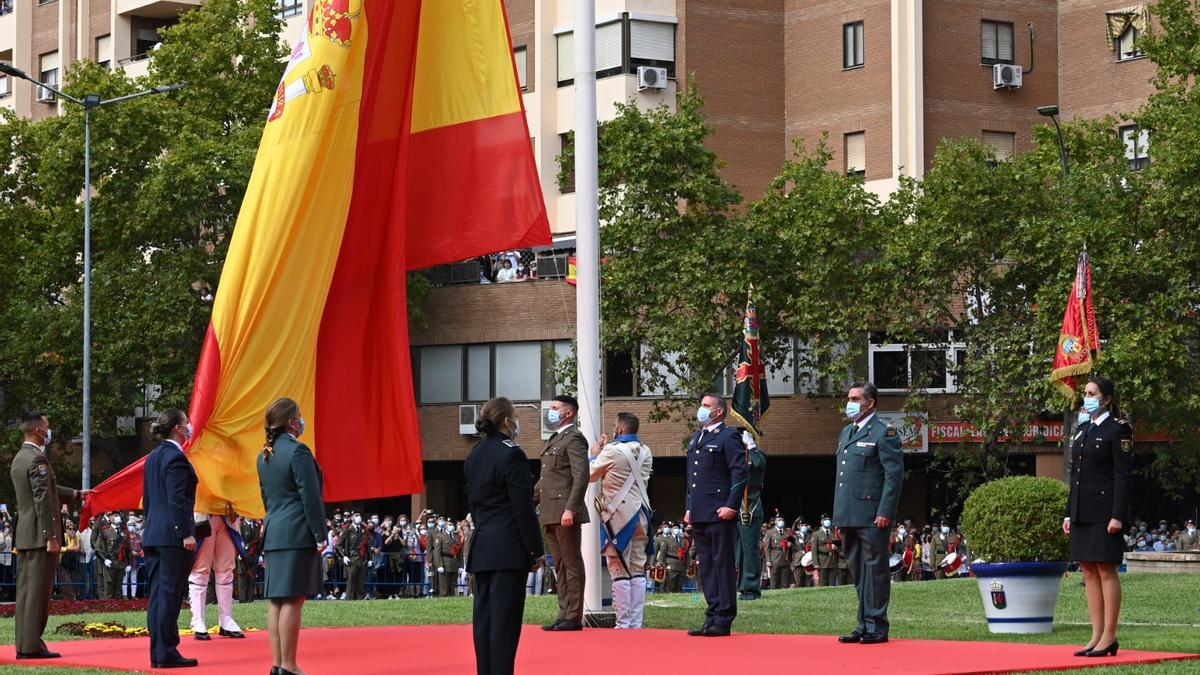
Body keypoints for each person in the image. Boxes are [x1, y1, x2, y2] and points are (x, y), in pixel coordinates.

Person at [464, 397, 544, 675]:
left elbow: (474, 504)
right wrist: (535, 551)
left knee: (484, 621)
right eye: (516, 417)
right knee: (505, 624)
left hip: (483, 546)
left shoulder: (474, 454)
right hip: (509, 549)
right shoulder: (512, 454)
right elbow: (522, 508)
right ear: (508, 421)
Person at [10, 410, 88, 660]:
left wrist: (77, 493)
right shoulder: (38, 460)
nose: (49, 430)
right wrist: (51, 537)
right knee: (39, 592)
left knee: (26, 592)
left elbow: (49, 489)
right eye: (47, 426)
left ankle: (26, 644)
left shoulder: (21, 457)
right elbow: (42, 500)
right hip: (40, 535)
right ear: (38, 431)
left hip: (26, 535)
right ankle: (32, 647)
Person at [1064, 376, 1132, 658]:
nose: (1086, 397)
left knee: (1106, 569)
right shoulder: (1083, 430)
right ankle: (1096, 634)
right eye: (1085, 392)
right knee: (1089, 571)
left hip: (1105, 513)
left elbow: (1123, 476)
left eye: (1092, 393)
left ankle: (1110, 635)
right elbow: (1076, 477)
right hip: (1082, 510)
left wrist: (1118, 515)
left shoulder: (1118, 430)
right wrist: (1069, 513)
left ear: (1106, 399)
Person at [258, 397, 326, 675]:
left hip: (275, 529)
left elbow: (266, 497)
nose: (302, 420)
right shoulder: (298, 452)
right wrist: (320, 533)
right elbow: (310, 498)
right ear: (291, 421)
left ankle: (278, 663)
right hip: (297, 531)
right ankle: (289, 664)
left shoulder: (265, 454)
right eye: (298, 415)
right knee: (293, 599)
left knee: (277, 599)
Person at [833, 382, 903, 645]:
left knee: (875, 570)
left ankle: (877, 626)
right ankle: (863, 624)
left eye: (854, 398)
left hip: (872, 514)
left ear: (870, 403)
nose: (849, 402)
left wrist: (886, 511)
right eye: (848, 397)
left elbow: (893, 477)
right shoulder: (846, 432)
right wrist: (838, 515)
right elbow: (843, 479)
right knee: (859, 572)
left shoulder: (884, 433)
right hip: (849, 514)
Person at [683, 393, 748, 637]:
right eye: (701, 404)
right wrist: (688, 508)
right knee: (707, 566)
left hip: (719, 511)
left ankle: (724, 617)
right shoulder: (697, 437)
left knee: (722, 565)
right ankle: (711, 615)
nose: (701, 409)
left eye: (706, 405)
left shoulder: (728, 436)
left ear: (719, 411)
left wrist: (732, 505)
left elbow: (739, 473)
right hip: (700, 512)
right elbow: (692, 480)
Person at [142, 409, 200, 669]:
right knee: (170, 594)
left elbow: (149, 499)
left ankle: (159, 650)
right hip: (172, 536)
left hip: (155, 532)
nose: (189, 426)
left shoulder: (154, 456)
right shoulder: (175, 457)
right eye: (186, 422)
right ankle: (166, 651)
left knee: (158, 595)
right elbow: (177, 498)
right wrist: (185, 532)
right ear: (177, 427)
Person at [588, 412, 654, 628]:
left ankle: (623, 623)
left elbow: (590, 474)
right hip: (641, 513)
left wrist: (594, 454)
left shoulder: (612, 451)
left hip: (618, 516)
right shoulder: (646, 451)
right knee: (637, 567)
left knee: (618, 568)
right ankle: (635, 622)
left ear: (620, 430)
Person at [535, 395, 590, 631]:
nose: (551, 412)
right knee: (559, 564)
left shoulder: (574, 438)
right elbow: (545, 480)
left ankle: (573, 616)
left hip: (564, 511)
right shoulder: (556, 438)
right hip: (549, 510)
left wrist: (571, 507)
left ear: (568, 413)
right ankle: (563, 612)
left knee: (571, 562)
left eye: (555, 408)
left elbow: (581, 476)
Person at [735, 432, 767, 600]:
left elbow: (760, 464)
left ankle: (751, 589)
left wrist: (752, 447)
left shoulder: (757, 455)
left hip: (749, 506)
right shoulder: (736, 457)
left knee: (750, 551)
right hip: (734, 506)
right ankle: (742, 587)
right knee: (738, 553)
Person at [763, 515, 792, 590]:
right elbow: (767, 547)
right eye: (779, 520)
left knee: (785, 581)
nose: (781, 522)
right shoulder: (770, 532)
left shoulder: (787, 532)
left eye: (782, 520)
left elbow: (794, 544)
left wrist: (790, 544)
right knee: (775, 581)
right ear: (775, 521)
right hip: (774, 559)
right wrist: (768, 560)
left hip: (785, 558)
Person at [238, 518, 263, 603]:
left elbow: (259, 541)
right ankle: (243, 600)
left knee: (252, 579)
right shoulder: (241, 525)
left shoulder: (257, 525)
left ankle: (250, 599)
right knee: (243, 579)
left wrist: (260, 554)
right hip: (243, 555)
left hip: (253, 555)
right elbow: (238, 540)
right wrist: (239, 552)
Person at [811, 514, 838, 586]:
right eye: (825, 520)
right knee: (823, 582)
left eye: (829, 520)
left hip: (832, 560)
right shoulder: (816, 533)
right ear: (821, 522)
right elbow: (814, 549)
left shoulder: (833, 532)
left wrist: (836, 546)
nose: (827, 521)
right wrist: (815, 563)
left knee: (832, 583)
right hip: (822, 560)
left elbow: (838, 544)